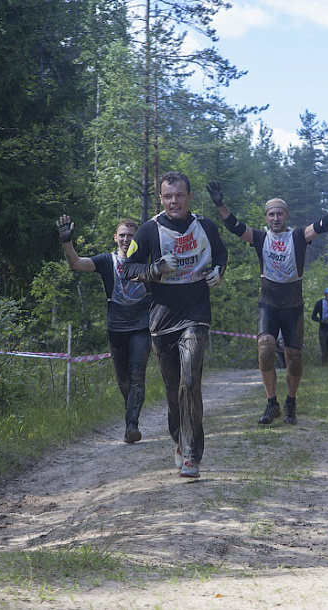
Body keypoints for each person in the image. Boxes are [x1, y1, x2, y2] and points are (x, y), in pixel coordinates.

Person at [206, 180, 328, 426]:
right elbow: (235, 226)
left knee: (294, 357)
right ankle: (271, 404)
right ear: (266, 217)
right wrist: (219, 204)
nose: (276, 218)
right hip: (268, 303)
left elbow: (322, 225)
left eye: (279, 214)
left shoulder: (298, 236)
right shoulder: (259, 237)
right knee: (266, 349)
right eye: (271, 214)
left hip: (293, 306)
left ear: (286, 215)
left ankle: (291, 402)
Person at [121, 171, 228, 479]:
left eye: (179, 195)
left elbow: (220, 252)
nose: (174, 202)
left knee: (190, 382)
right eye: (168, 196)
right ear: (161, 199)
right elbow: (127, 268)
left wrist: (219, 270)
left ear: (189, 197)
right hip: (162, 319)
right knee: (172, 393)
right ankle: (179, 441)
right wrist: (154, 269)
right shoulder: (148, 230)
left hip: (196, 312)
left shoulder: (204, 226)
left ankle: (193, 454)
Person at [56, 216, 152, 444]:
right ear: (116, 238)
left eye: (131, 235)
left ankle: (132, 426)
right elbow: (76, 264)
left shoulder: (148, 262)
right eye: (123, 235)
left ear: (137, 238)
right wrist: (66, 242)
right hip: (116, 327)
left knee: (137, 374)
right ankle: (131, 416)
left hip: (142, 325)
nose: (126, 239)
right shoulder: (107, 261)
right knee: (123, 380)